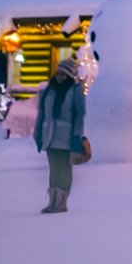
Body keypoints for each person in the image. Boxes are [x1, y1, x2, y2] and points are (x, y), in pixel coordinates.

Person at [33, 57, 86, 214]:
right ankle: (52, 201)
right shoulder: (49, 90)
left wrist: (76, 136)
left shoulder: (75, 91)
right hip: (50, 135)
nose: (59, 77)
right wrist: (38, 134)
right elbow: (42, 113)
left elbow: (79, 115)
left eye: (63, 74)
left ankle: (61, 202)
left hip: (66, 137)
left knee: (64, 169)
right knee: (53, 168)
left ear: (69, 75)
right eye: (58, 73)